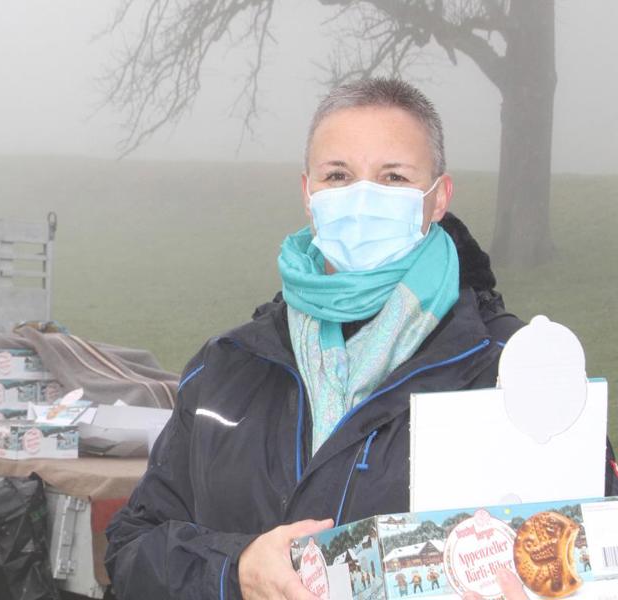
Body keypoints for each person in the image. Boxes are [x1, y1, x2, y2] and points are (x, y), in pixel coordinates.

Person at [104, 77, 618, 600]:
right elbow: (131, 551)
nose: (362, 199)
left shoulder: (512, 371)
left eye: (393, 177)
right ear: (308, 194)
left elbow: (595, 560)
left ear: (438, 198)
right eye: (338, 175)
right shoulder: (226, 369)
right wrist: (233, 570)